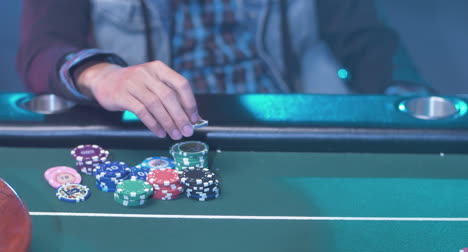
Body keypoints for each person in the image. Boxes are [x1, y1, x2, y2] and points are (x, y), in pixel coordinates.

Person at [16, 0, 429, 140]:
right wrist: (102, 75)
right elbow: (40, 49)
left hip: (286, 119)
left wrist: (406, 110)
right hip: (152, 127)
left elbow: (365, 38)